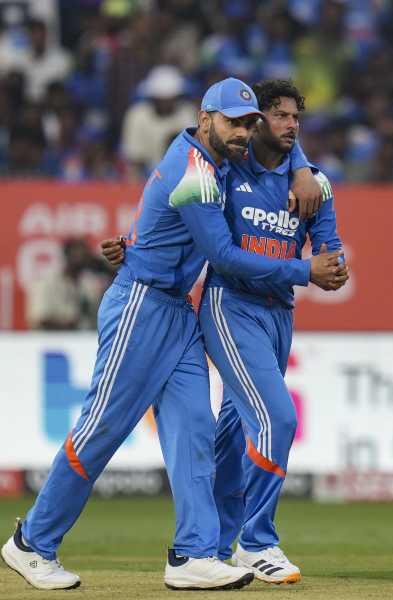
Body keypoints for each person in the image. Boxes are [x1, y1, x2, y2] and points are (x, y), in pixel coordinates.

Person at [0, 77, 339, 591]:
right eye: (234, 122)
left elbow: (282, 139)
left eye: (250, 124)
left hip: (179, 311)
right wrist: (303, 271)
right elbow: (223, 255)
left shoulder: (220, 157)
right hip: (141, 304)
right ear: (206, 118)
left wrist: (301, 167)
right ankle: (32, 542)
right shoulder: (197, 170)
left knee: (193, 433)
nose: (245, 133)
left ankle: (192, 555)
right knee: (102, 430)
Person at [101, 79, 348, 585]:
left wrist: (331, 263)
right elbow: (180, 212)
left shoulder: (314, 185)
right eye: (277, 116)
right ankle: (259, 543)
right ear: (254, 122)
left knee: (235, 434)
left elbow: (330, 250)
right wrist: (136, 244)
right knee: (278, 418)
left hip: (279, 314)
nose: (289, 126)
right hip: (229, 306)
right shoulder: (227, 167)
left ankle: (205, 548)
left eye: (295, 119)